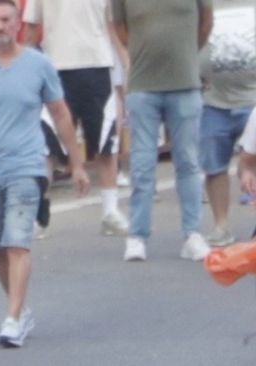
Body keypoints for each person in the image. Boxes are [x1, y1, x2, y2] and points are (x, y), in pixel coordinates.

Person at [0, 0, 90, 347]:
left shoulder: (39, 65)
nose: (0, 26)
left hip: (27, 165)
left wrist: (76, 164)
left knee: (17, 243)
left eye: (5, 20)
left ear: (17, 24)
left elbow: (60, 114)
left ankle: (12, 318)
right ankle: (20, 309)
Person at [110, 0, 213, 261]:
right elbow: (120, 28)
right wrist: (140, 54)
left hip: (185, 82)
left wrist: (187, 55)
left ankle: (192, 234)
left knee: (188, 161)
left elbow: (206, 22)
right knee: (142, 163)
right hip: (143, 85)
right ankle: (137, 235)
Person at [22, 0, 130, 234]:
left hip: (98, 64)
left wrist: (124, 58)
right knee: (47, 144)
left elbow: (113, 24)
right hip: (55, 68)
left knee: (105, 142)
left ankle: (110, 211)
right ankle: (35, 215)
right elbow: (31, 27)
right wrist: (22, 64)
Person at [199, 6, 256, 245]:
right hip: (214, 100)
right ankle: (221, 225)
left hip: (253, 99)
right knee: (214, 165)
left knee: (252, 163)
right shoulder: (205, 4)